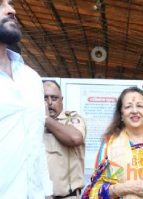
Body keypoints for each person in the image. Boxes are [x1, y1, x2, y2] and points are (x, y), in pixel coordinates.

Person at [0, 1, 53, 198]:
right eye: (0, 5)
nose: (11, 10)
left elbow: (36, 145)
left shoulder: (31, 77)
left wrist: (46, 192)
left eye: (10, 4)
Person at [83, 87, 143, 199]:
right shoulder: (108, 145)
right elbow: (94, 191)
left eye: (139, 106)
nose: (134, 111)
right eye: (128, 106)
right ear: (121, 114)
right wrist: (125, 188)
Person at [43, 80, 86, 198]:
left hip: (67, 196)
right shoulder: (31, 121)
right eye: (44, 98)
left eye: (54, 98)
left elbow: (75, 139)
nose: (49, 103)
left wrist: (46, 119)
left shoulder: (72, 119)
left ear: (62, 99)